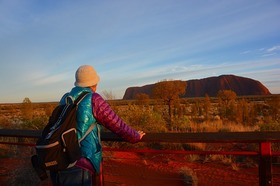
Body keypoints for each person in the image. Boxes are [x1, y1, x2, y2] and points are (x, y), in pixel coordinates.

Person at [50, 65, 145, 186]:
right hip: (80, 161)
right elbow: (116, 124)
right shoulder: (93, 99)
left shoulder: (65, 98)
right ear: (94, 82)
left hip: (60, 158)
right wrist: (135, 136)